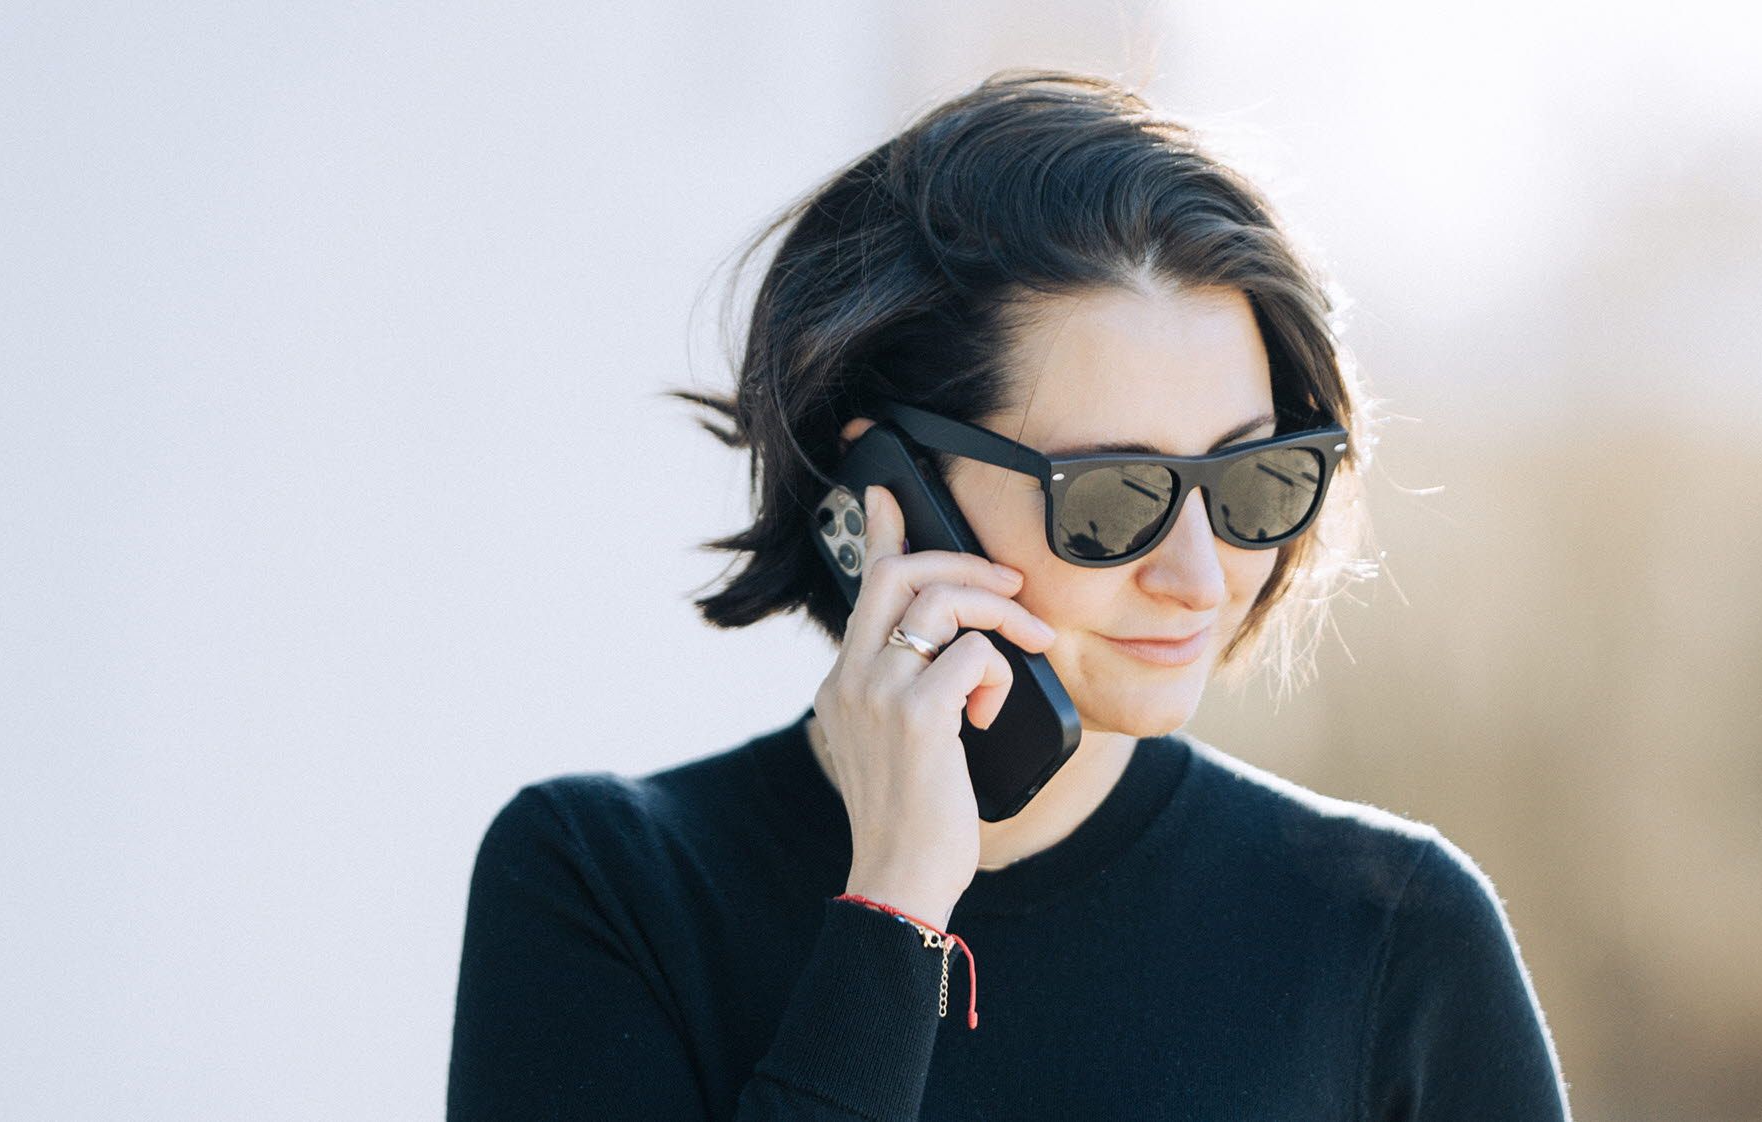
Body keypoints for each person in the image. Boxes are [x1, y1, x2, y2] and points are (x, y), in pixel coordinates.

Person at [447, 69, 1572, 1121]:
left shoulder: (1391, 929)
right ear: (885, 495)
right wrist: (892, 917)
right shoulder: (604, 886)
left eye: (1247, 478)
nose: (1197, 572)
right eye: (1113, 498)